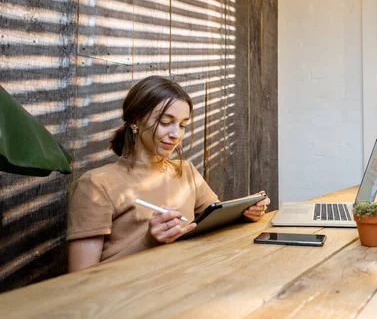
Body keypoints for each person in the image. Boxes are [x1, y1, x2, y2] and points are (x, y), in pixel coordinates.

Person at [67, 76, 270, 272]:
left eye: (182, 125)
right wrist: (147, 242)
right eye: (165, 122)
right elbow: (80, 278)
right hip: (127, 297)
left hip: (186, 282)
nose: (176, 134)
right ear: (135, 122)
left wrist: (245, 215)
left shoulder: (186, 171)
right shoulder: (96, 184)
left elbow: (216, 222)